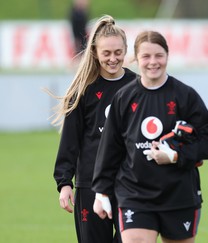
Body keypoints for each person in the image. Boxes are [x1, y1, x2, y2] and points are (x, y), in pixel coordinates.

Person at [91, 30, 208, 243]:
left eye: (158, 55)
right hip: (134, 195)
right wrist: (101, 193)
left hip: (179, 196)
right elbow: (110, 148)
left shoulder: (185, 96)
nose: (153, 62)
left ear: (167, 56)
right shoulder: (124, 97)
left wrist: (177, 156)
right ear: (136, 59)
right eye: (146, 56)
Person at [52, 15, 137, 243]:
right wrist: (64, 183)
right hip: (90, 184)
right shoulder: (83, 90)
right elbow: (70, 140)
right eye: (106, 53)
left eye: (118, 52)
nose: (112, 58)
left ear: (126, 50)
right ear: (95, 53)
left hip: (132, 185)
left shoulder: (139, 87)